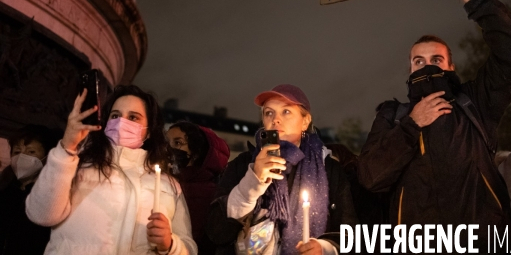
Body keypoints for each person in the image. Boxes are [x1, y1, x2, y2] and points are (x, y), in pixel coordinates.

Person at [357, 0, 511, 248]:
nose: (427, 65)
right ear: (409, 68)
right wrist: (412, 125)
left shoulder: (476, 102)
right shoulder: (392, 116)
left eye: (436, 59)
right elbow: (370, 178)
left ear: (451, 66)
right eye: (419, 60)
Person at [25, 85, 197, 255]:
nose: (122, 122)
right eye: (115, 116)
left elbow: (189, 246)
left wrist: (170, 245)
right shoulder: (75, 164)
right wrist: (66, 149)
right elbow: (41, 215)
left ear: (149, 131)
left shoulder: (169, 185)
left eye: (133, 117)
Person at [206, 84, 357, 255]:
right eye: (269, 113)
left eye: (286, 112)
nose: (275, 119)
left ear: (305, 121)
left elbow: (349, 235)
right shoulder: (243, 165)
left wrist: (324, 248)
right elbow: (216, 232)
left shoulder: (328, 169)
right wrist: (252, 182)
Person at [166, 121, 230, 253]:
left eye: (178, 143)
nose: (170, 149)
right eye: (167, 143)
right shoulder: (166, 182)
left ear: (196, 152)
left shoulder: (210, 192)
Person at [0, 125, 60, 254]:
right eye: (17, 152)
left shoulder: (52, 197)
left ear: (47, 156)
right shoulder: (5, 190)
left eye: (31, 152)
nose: (22, 156)